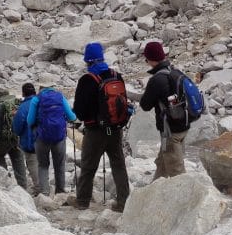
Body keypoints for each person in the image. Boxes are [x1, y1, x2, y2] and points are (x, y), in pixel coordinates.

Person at [71, 42, 131, 212]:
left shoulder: (87, 80)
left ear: (88, 61)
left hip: (96, 131)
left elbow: (80, 112)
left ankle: (82, 201)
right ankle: (123, 202)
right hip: (116, 128)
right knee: (118, 164)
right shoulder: (116, 76)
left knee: (88, 166)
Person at [138, 41, 188, 179]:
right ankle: (154, 190)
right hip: (184, 124)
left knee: (177, 172)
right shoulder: (175, 72)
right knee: (163, 163)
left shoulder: (157, 79)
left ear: (149, 59)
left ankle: (185, 198)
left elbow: (145, 105)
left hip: (170, 131)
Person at [26, 76, 77, 196]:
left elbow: (30, 120)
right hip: (59, 137)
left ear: (41, 86)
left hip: (42, 137)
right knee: (59, 164)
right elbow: (72, 117)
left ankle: (44, 193)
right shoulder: (60, 97)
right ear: (53, 86)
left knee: (43, 165)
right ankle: (60, 192)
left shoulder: (36, 99)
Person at [0, 88, 27, 187]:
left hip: (3, 140)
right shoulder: (16, 104)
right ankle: (23, 186)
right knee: (18, 160)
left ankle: (5, 182)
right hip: (16, 138)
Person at [12, 82, 40, 195]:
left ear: (23, 93)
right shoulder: (41, 102)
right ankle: (47, 186)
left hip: (30, 141)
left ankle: (39, 188)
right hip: (47, 139)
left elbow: (17, 128)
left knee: (33, 163)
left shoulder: (23, 107)